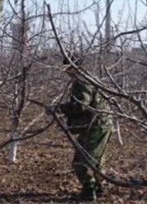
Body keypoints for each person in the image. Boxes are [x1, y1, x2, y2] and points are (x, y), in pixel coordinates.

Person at [55, 55, 113, 202]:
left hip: (95, 126)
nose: (65, 72)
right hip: (102, 123)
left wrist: (60, 108)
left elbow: (82, 106)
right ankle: (100, 187)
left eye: (67, 68)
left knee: (81, 161)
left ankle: (89, 191)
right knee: (97, 160)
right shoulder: (89, 77)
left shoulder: (82, 82)